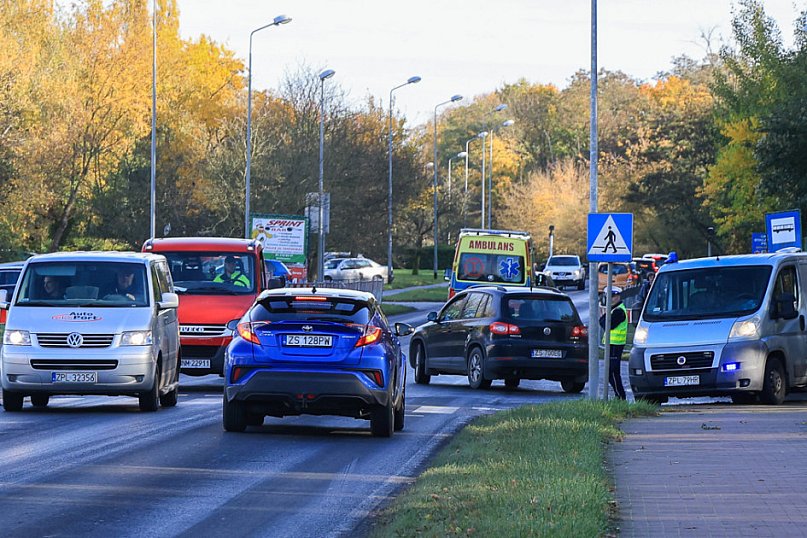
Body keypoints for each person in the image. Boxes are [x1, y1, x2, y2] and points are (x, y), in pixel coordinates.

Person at [599, 286, 628, 400]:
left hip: (616, 345)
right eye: (609, 297)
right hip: (611, 344)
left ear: (618, 296)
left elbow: (606, 324)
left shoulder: (619, 311)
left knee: (612, 372)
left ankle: (620, 396)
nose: (611, 299)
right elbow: (602, 322)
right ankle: (619, 396)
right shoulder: (613, 309)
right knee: (611, 372)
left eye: (614, 296)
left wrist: (605, 320)